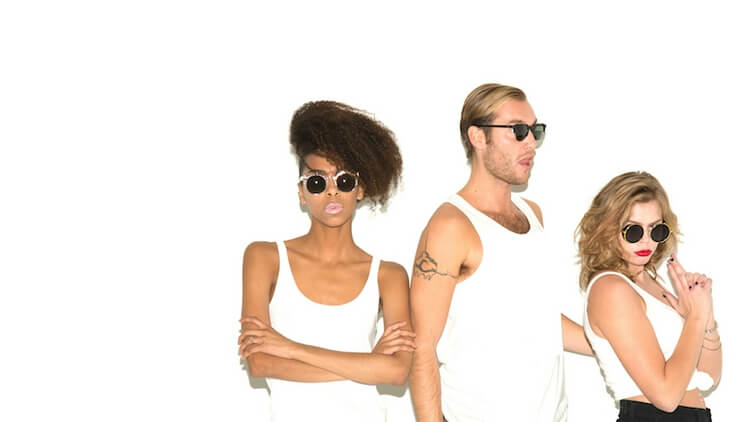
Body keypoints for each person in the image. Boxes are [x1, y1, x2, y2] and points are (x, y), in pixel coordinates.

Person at [409, 83, 592, 422]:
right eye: (518, 131)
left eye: (535, 130)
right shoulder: (451, 226)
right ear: (478, 137)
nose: (531, 143)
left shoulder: (532, 214)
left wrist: (617, 341)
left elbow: (536, 319)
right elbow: (421, 347)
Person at [238, 101, 416, 422]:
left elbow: (396, 371)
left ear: (359, 189)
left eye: (344, 181)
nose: (332, 193)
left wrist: (290, 348)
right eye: (317, 182)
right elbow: (260, 363)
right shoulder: (264, 258)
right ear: (302, 193)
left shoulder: (388, 276)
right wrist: (367, 364)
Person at [577, 171, 721, 421]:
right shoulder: (611, 289)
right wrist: (695, 318)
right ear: (607, 229)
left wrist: (705, 315)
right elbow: (666, 397)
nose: (646, 241)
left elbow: (707, 377)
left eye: (656, 230)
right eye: (633, 231)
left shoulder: (651, 283)